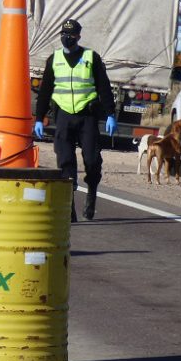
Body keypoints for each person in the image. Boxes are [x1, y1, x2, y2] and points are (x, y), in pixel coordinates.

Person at [33, 18, 117, 221]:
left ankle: (91, 193)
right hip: (63, 115)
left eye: (70, 35)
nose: (66, 38)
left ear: (78, 36)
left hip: (86, 115)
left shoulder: (91, 57)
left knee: (92, 160)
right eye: (63, 34)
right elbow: (45, 91)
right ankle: (69, 206)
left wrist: (110, 114)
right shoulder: (54, 59)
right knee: (65, 161)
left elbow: (104, 87)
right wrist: (39, 118)